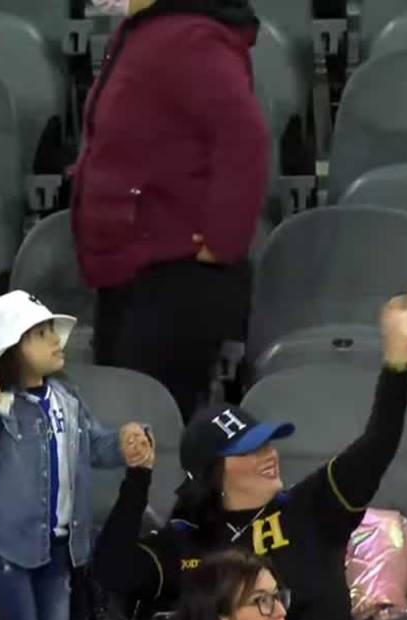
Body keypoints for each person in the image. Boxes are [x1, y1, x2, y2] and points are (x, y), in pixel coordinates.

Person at [94, 293, 407, 620]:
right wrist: (138, 477)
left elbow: (378, 444)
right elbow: (113, 570)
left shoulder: (314, 507)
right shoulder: (189, 539)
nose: (269, 455)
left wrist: (397, 357)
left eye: (267, 443)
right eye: (250, 450)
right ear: (215, 473)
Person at [72, 0, 270, 420]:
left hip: (173, 278)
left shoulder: (190, 39)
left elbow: (244, 137)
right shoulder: (148, 33)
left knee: (147, 429)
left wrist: (222, 241)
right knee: (128, 425)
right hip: (133, 272)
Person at [0, 290, 156, 620]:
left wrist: (122, 442)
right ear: (10, 348)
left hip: (61, 547)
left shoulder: (67, 398)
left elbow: (92, 445)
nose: (55, 340)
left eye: (52, 331)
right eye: (41, 333)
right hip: (7, 547)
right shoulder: (0, 405)